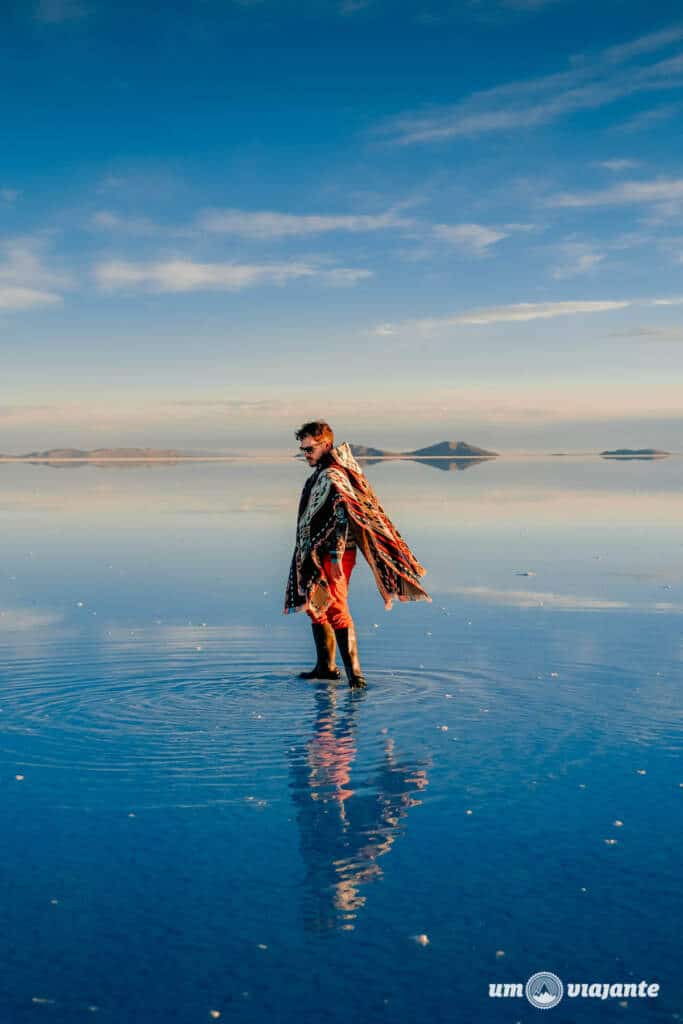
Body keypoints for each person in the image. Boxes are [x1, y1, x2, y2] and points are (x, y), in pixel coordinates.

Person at [284, 420, 431, 687]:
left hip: (333, 555)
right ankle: (325, 667)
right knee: (316, 607)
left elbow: (342, 518)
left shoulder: (333, 476)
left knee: (336, 607)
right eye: (302, 450)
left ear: (325, 444)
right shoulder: (321, 474)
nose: (305, 454)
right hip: (316, 554)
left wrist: (337, 556)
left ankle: (355, 676)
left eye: (309, 449)